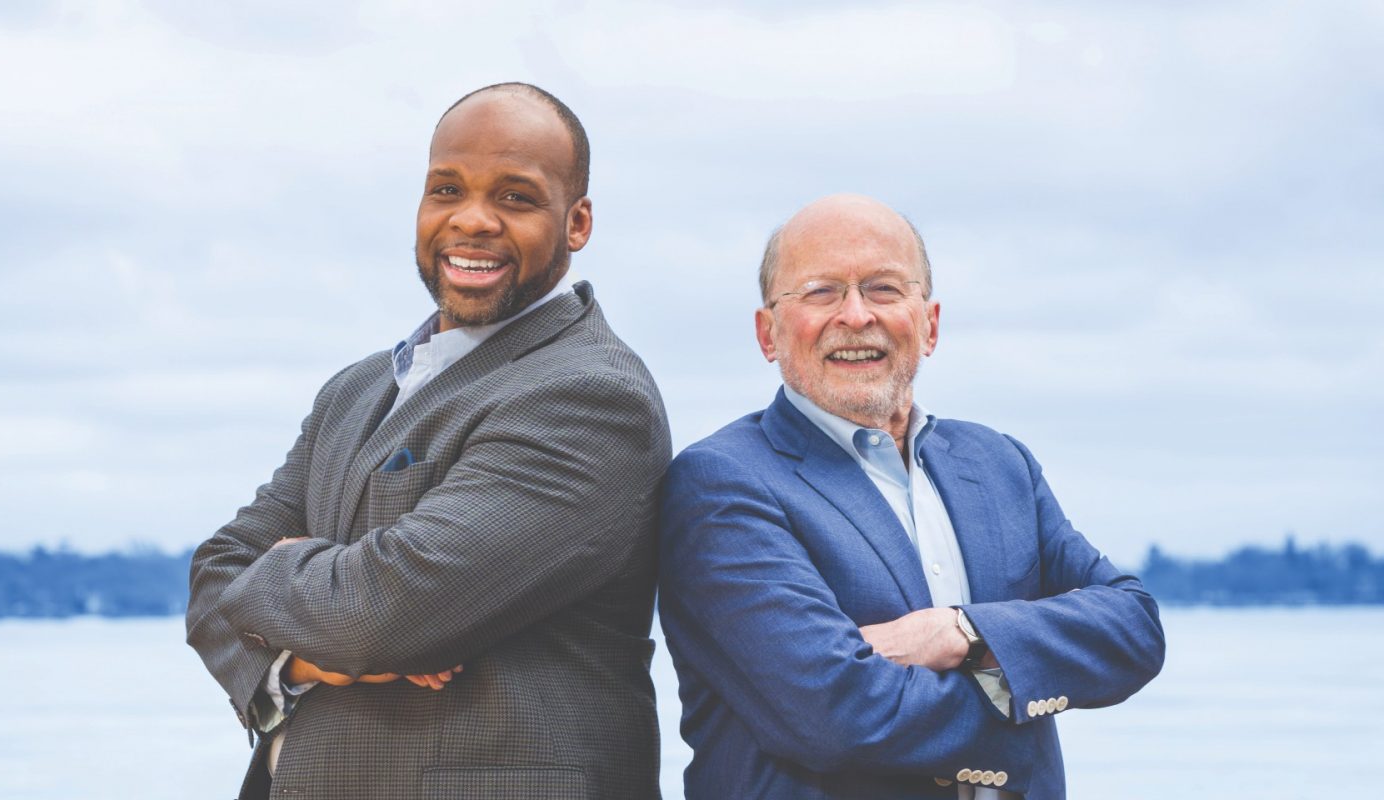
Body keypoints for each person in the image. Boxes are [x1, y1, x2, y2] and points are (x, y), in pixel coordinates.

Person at [186, 83, 670, 800]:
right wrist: (308, 662)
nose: (471, 219)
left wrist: (289, 574)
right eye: (447, 189)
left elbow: (382, 614)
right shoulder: (354, 390)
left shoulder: (591, 395)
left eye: (515, 197)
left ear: (577, 222)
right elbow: (214, 576)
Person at [657, 194, 1165, 799]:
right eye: (820, 292)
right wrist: (1025, 692)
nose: (855, 316)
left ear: (930, 324)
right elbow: (836, 714)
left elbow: (1134, 627)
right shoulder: (721, 482)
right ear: (768, 334)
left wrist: (961, 632)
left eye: (884, 289)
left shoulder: (1000, 464)